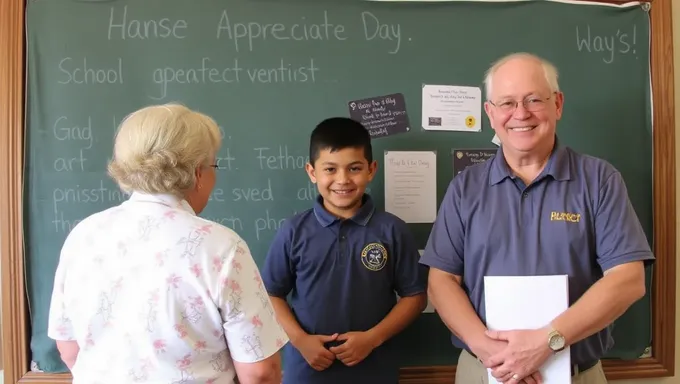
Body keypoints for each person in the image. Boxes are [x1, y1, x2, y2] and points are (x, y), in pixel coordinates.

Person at [420, 52, 655, 384]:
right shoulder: (465, 188)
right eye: (506, 103)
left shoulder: (599, 180)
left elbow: (627, 281)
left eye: (533, 99)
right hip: (485, 371)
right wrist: (490, 350)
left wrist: (547, 342)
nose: (520, 114)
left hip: (577, 373)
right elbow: (441, 281)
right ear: (490, 113)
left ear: (557, 104)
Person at [47, 103, 287, 384]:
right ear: (198, 173)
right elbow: (259, 372)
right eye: (213, 165)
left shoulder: (83, 235)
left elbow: (68, 347)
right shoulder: (221, 247)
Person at [261, 117, 428, 384]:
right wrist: (301, 340)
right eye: (330, 169)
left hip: (374, 369)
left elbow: (415, 297)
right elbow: (270, 294)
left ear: (371, 169)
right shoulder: (293, 231)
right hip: (307, 370)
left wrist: (373, 339)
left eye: (354, 168)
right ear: (312, 171)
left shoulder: (392, 230)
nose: (342, 180)